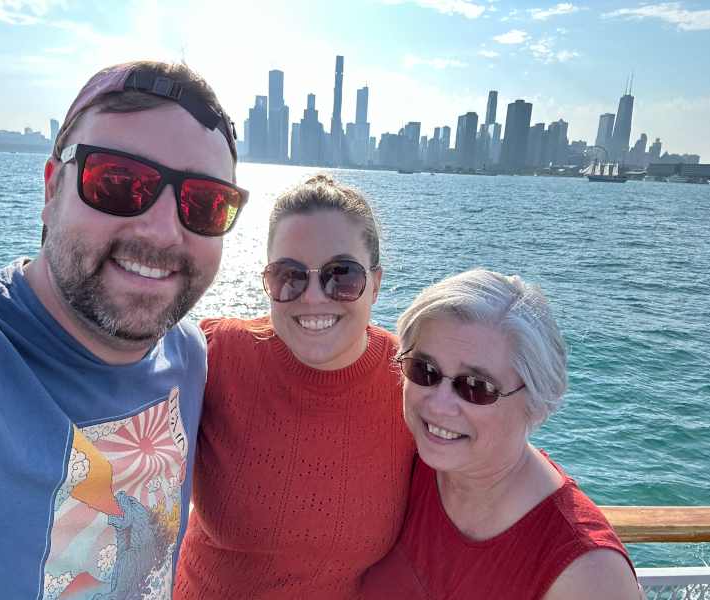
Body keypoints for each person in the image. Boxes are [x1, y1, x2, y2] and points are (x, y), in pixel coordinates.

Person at [0, 60, 248, 598]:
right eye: (119, 183)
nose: (163, 231)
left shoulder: (190, 354)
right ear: (53, 189)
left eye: (205, 203)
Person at [174, 175, 417, 599]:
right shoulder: (217, 353)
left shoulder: (414, 383)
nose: (313, 297)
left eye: (341, 275)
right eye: (290, 275)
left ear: (376, 284)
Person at [363, 270, 642, 600]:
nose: (438, 405)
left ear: (534, 401)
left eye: (476, 387)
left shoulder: (586, 575)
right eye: (425, 370)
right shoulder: (403, 457)